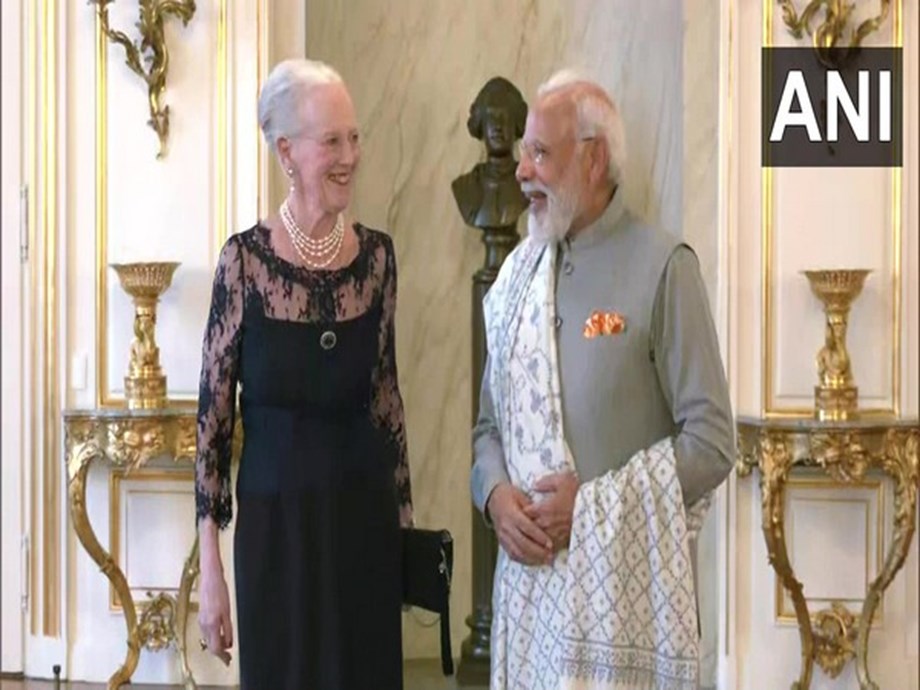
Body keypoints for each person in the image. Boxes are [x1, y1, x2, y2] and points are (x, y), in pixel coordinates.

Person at [470, 70, 734, 690]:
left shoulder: (664, 267)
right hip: (529, 616)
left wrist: (590, 510)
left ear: (593, 159)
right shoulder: (515, 279)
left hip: (624, 628)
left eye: (541, 152)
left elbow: (714, 442)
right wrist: (495, 499)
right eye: (525, 151)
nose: (521, 169)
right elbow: (487, 428)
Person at [194, 58, 413, 690]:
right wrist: (211, 572)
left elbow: (388, 404)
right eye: (332, 140)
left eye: (355, 136)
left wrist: (402, 538)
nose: (350, 155)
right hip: (276, 539)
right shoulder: (243, 263)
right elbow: (211, 427)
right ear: (286, 151)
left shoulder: (377, 259)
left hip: (362, 527)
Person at [451, 76, 529, 230]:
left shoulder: (528, 184)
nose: (498, 127)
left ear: (516, 125)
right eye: (492, 118)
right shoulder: (465, 187)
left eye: (504, 118)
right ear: (481, 124)